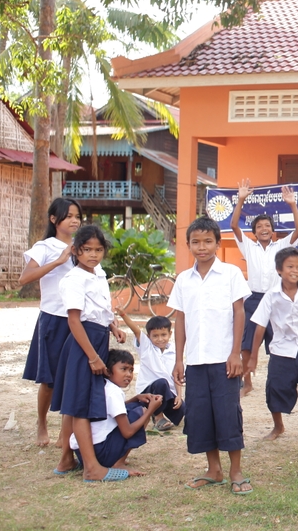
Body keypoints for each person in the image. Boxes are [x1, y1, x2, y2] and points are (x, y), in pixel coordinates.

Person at [169, 217, 253, 494]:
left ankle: (235, 471)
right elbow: (180, 320)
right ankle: (213, 469)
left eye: (207, 241)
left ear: (218, 243)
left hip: (224, 360)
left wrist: (235, 354)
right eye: (196, 242)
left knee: (228, 413)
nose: (201, 247)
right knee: (201, 415)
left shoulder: (230, 274)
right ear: (188, 245)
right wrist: (179, 359)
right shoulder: (183, 280)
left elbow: (239, 313)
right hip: (195, 360)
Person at [51, 225, 129, 482]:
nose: (93, 255)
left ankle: (65, 460)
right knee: (81, 405)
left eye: (98, 250)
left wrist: (113, 326)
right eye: (87, 250)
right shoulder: (73, 279)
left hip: (97, 337)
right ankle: (92, 468)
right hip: (83, 342)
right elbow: (74, 321)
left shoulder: (98, 274)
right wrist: (93, 357)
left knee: (75, 403)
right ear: (75, 251)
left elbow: (100, 309)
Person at [18, 197, 83, 447]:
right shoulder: (44, 247)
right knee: (50, 379)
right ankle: (42, 422)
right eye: (68, 216)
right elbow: (25, 278)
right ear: (54, 219)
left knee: (74, 375)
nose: (74, 220)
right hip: (54, 318)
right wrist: (58, 261)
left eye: (77, 216)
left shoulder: (83, 245)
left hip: (78, 318)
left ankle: (64, 433)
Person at [230, 179, 298, 397]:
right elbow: (234, 225)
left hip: (275, 299)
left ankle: (279, 378)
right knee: (246, 342)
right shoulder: (248, 246)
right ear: (254, 232)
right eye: (260, 226)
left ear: (273, 231)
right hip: (252, 299)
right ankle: (247, 381)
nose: (264, 229)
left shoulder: (281, 246)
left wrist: (292, 204)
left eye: (268, 226)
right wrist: (241, 198)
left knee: (278, 341)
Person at [246, 247, 298, 441]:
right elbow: (260, 325)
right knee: (275, 388)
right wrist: (253, 357)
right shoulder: (271, 295)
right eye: (290, 266)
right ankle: (278, 426)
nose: (295, 270)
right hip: (282, 350)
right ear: (279, 270)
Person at [69, 349, 162, 476]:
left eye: (131, 370)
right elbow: (127, 432)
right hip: (101, 453)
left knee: (135, 406)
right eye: (123, 369)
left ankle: (114, 457)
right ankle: (118, 462)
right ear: (108, 371)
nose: (128, 374)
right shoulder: (114, 392)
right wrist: (151, 410)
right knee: (141, 411)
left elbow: (112, 409)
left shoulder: (101, 386)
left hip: (82, 453)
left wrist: (136, 398)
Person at [116, 310, 184, 431]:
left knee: (182, 408)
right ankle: (158, 417)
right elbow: (136, 330)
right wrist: (123, 315)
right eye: (155, 336)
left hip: (167, 393)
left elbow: (176, 377)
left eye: (163, 335)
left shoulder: (174, 353)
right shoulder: (146, 348)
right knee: (161, 383)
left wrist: (179, 395)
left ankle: (166, 414)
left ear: (170, 334)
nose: (160, 339)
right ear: (148, 337)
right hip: (148, 393)